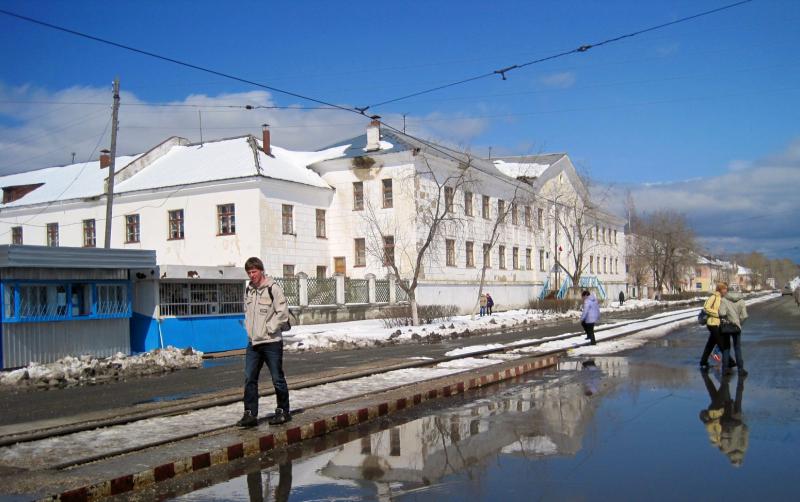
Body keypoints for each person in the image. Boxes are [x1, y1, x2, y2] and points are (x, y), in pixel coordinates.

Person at [237, 257, 292, 428]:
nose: (251, 275)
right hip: (254, 343)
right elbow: (248, 313)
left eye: (254, 272)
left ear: (261, 270)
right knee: (249, 378)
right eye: (249, 273)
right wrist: (249, 330)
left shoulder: (273, 288)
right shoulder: (249, 291)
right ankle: (250, 414)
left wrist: (270, 328)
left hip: (271, 342)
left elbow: (283, 314)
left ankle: (283, 410)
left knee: (277, 378)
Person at [700, 283, 729, 372]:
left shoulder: (722, 298)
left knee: (710, 344)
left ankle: (703, 361)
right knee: (721, 343)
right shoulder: (714, 297)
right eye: (724, 289)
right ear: (720, 289)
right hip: (712, 323)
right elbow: (706, 308)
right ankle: (729, 362)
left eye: (726, 289)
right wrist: (717, 313)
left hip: (718, 323)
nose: (726, 290)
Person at [719, 289, 749, 376]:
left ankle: (725, 370)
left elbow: (722, 313)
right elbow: (744, 316)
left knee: (726, 348)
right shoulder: (741, 300)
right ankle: (740, 369)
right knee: (737, 348)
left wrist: (727, 318)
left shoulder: (724, 300)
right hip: (737, 327)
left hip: (727, 327)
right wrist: (739, 323)